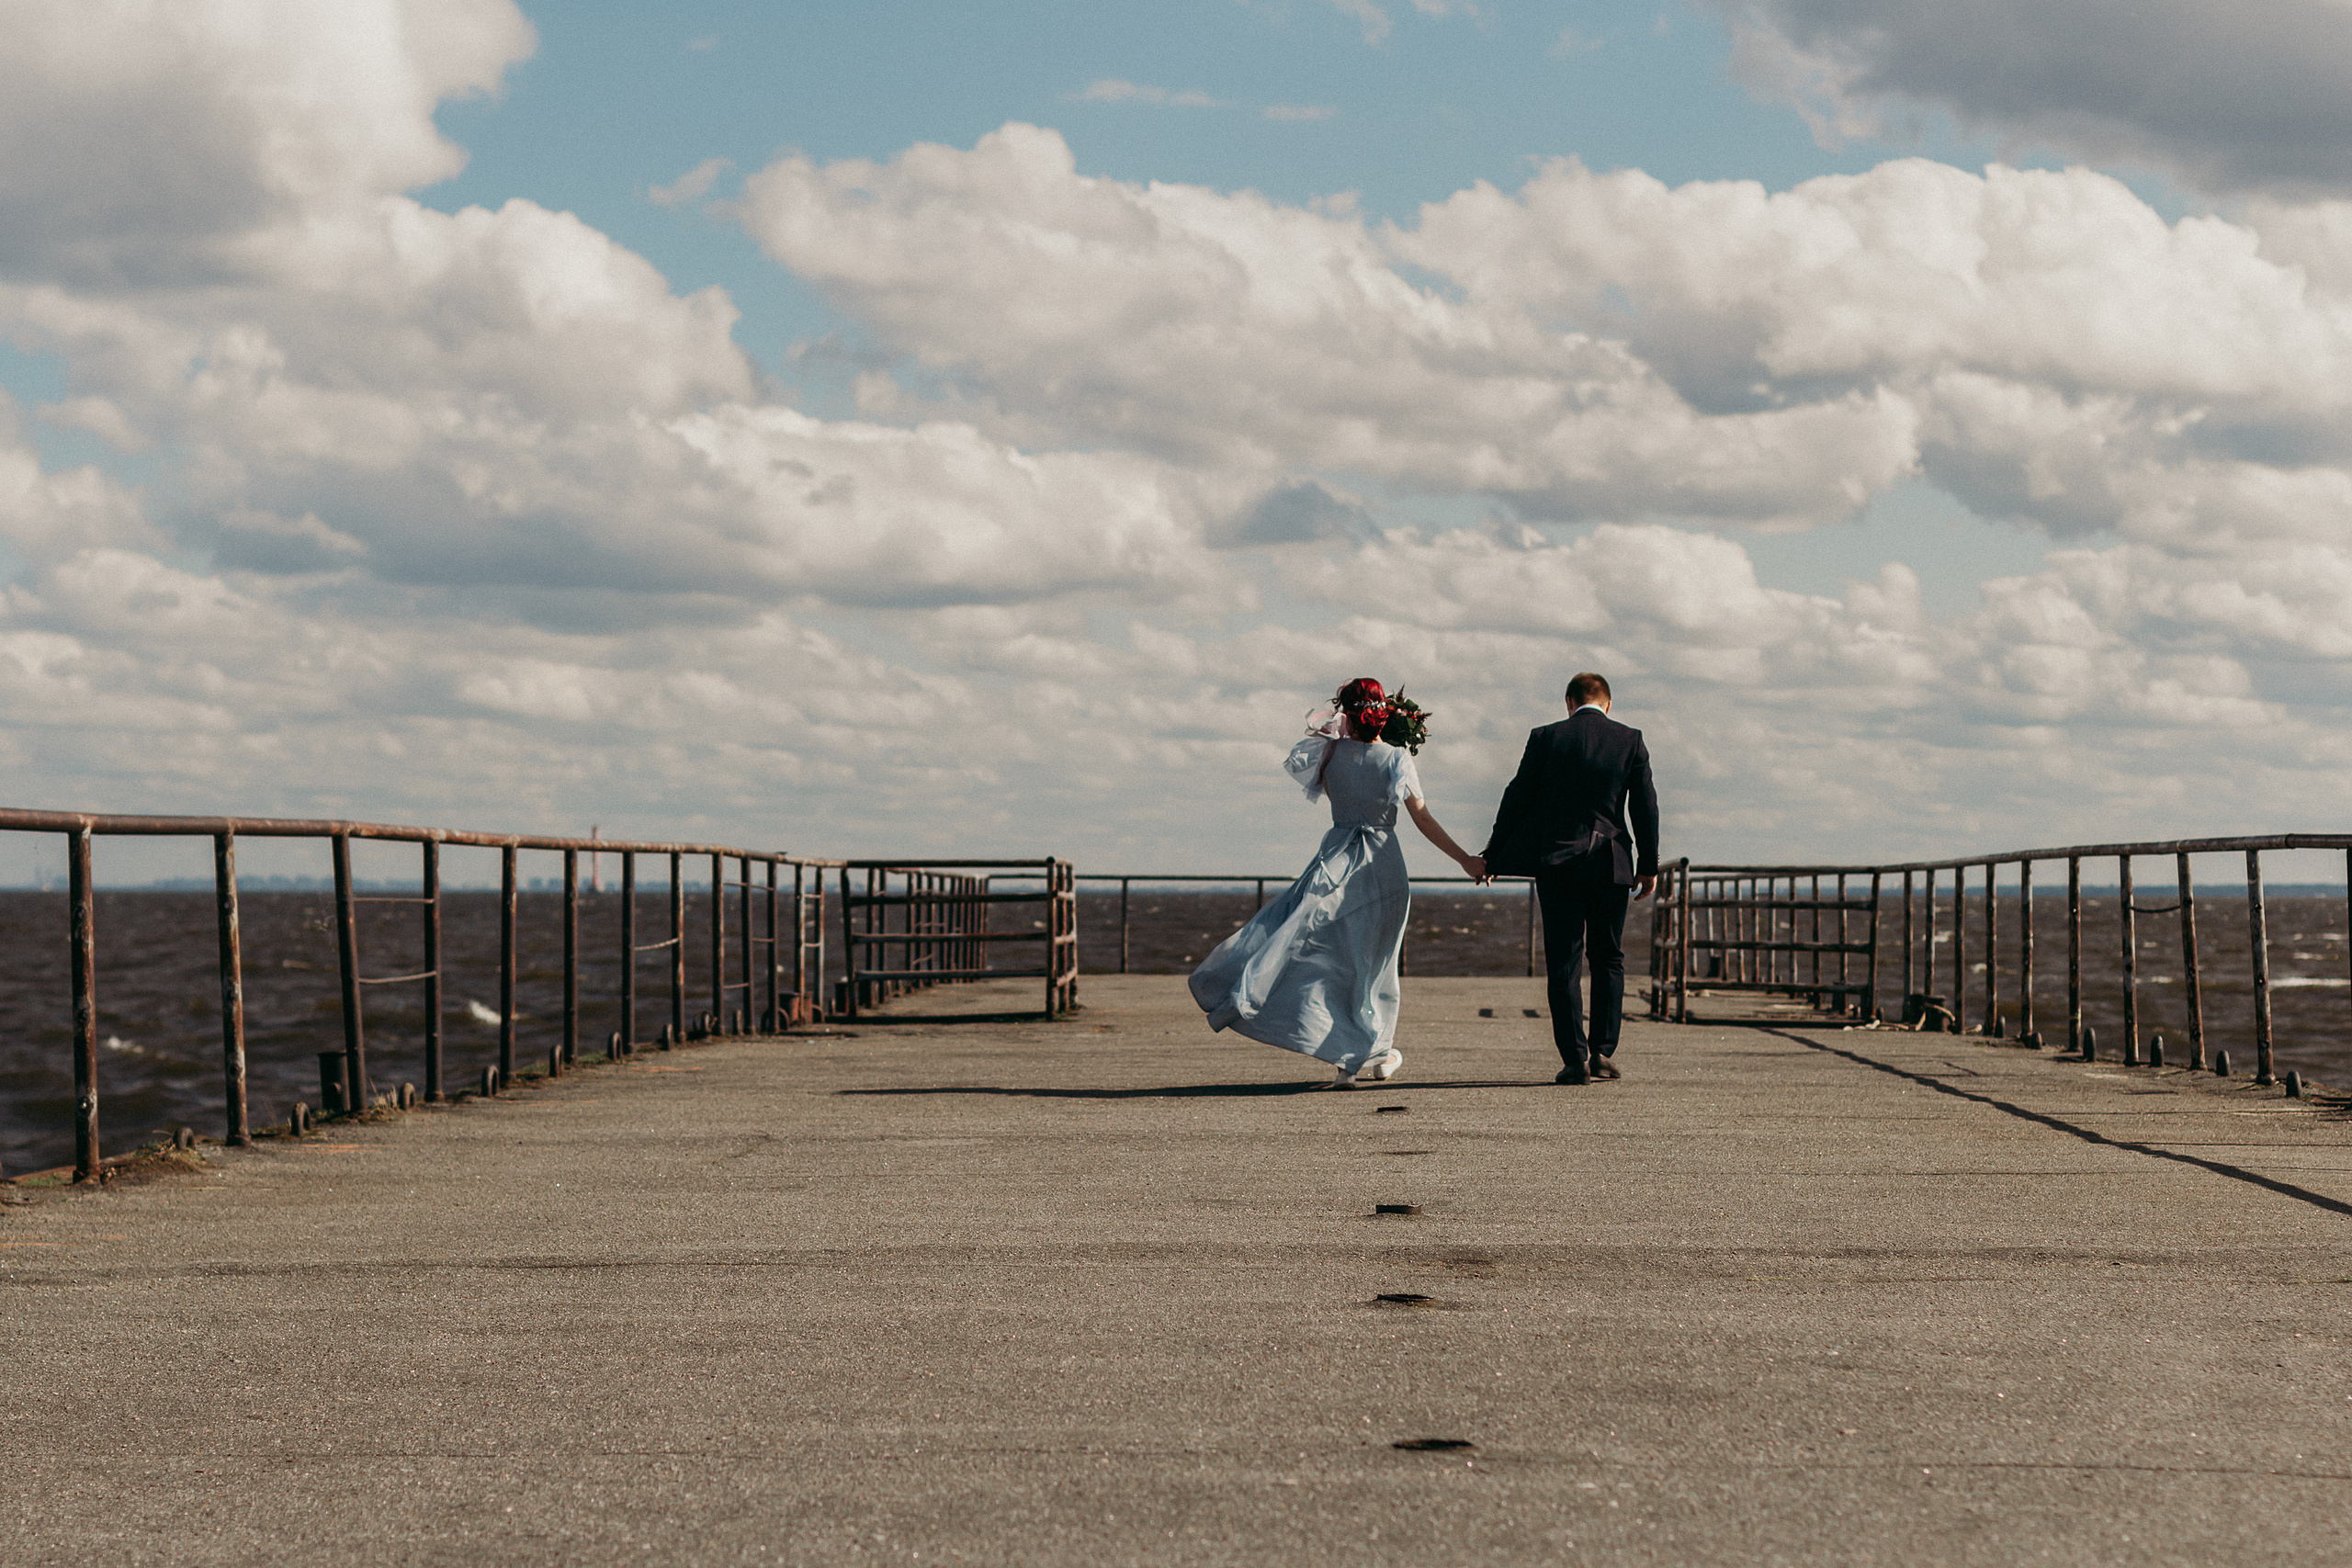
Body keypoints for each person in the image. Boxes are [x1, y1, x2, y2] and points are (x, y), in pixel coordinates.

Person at [1188, 679, 1487, 1088]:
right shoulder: (1397, 757)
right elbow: (1422, 819)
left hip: (1335, 859)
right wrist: (1466, 861)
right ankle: (1368, 1051)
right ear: (1385, 712)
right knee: (1376, 966)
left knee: (1325, 956)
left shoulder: (1328, 754)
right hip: (1381, 865)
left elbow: (1336, 795)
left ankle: (1361, 1053)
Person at [1481, 672, 1659, 1085]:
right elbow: (1645, 806)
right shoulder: (1630, 740)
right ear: (1608, 704)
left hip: (1558, 861)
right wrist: (1647, 865)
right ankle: (1603, 1052)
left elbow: (1517, 796)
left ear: (1569, 702)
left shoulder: (1546, 737)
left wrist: (1493, 854)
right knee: (1608, 957)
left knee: (1564, 960)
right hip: (1611, 862)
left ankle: (1574, 1059)